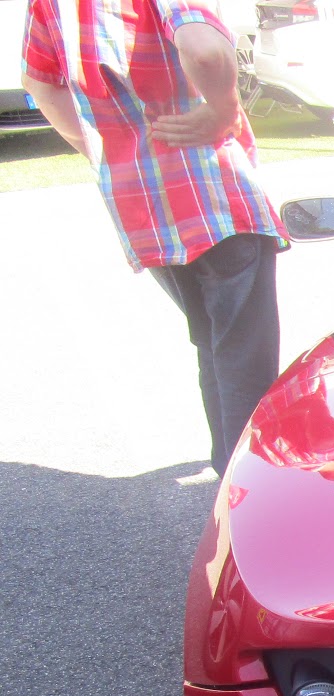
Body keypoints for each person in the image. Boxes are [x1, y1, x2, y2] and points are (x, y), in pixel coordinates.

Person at [22, 0, 287, 482]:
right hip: (211, 192)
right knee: (243, 352)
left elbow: (39, 83)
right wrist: (223, 110)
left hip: (141, 204)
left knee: (214, 343)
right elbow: (204, 50)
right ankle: (252, 492)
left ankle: (230, 481)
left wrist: (107, 146)